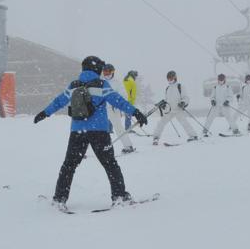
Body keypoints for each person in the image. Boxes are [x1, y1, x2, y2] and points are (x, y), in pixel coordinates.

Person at [33, 55, 148, 211]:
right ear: (97, 69)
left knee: (69, 166)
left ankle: (60, 198)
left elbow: (59, 101)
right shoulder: (102, 84)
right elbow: (118, 100)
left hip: (77, 131)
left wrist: (44, 113)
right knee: (110, 164)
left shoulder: (74, 85)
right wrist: (135, 112)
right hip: (99, 131)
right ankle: (119, 196)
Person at [152, 70, 199, 144]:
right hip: (169, 110)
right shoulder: (168, 88)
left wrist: (183, 102)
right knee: (161, 123)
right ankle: (156, 137)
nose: (169, 80)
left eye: (171, 78)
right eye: (168, 79)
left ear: (175, 78)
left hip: (178, 109)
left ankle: (193, 136)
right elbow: (167, 99)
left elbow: (186, 97)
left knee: (184, 122)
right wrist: (164, 105)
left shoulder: (180, 86)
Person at [102, 64, 135, 154]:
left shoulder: (117, 82)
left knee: (118, 127)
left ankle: (128, 146)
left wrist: (116, 103)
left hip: (113, 109)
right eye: (104, 72)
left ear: (112, 72)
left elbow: (123, 95)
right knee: (94, 128)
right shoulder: (101, 81)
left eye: (108, 72)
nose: (106, 74)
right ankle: (83, 151)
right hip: (101, 108)